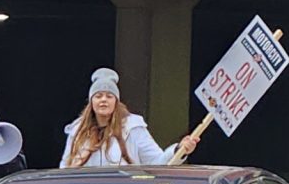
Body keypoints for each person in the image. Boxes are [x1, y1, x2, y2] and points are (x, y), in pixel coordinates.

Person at [62, 68, 196, 166]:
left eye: (109, 96)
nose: (103, 100)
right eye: (98, 96)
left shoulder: (132, 128)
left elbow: (157, 162)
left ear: (116, 101)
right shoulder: (77, 131)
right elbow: (64, 169)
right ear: (91, 102)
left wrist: (179, 149)